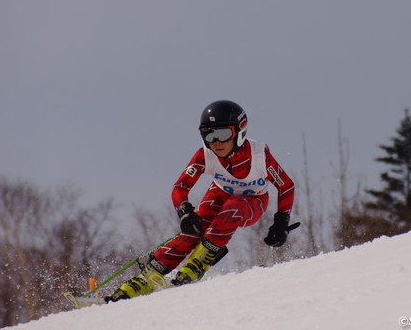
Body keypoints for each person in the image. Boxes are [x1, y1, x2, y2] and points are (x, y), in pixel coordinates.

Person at [106, 100, 298, 302]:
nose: (216, 143)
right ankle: (144, 278)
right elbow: (181, 186)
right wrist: (185, 211)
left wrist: (280, 222)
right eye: (209, 135)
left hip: (254, 200)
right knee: (191, 233)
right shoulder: (206, 154)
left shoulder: (260, 155)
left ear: (240, 131)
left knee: (232, 209)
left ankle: (199, 262)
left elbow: (286, 186)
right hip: (219, 193)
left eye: (223, 134)